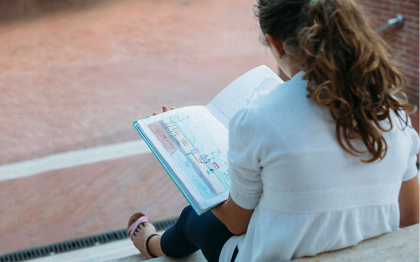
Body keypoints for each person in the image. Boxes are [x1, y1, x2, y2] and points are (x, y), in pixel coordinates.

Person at [127, 0, 420, 261]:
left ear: (276, 43)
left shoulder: (257, 119)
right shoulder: (393, 110)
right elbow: (411, 217)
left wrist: (187, 159)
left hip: (267, 254)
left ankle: (152, 244)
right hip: (368, 248)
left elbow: (236, 223)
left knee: (197, 218)